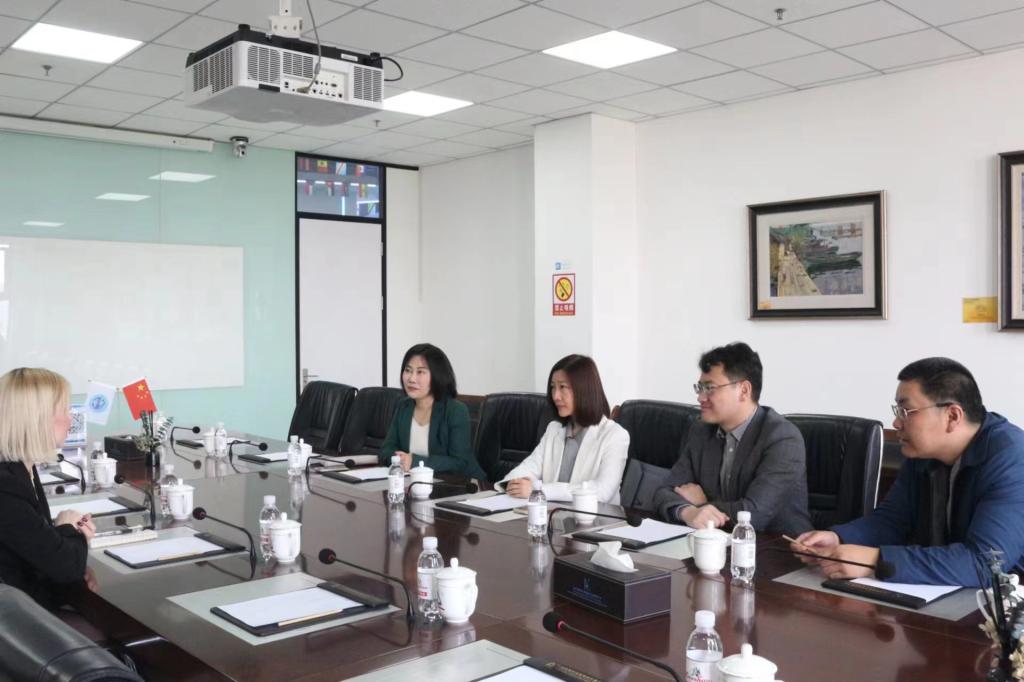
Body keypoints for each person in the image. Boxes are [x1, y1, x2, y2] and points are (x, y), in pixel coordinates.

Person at [794, 357, 1024, 587]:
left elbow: (985, 564)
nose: (896, 422)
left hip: (1005, 598)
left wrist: (875, 560)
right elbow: (892, 520)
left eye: (906, 411)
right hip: (950, 591)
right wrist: (839, 538)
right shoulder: (922, 453)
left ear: (952, 416)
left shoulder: (1012, 459)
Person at [653, 342, 812, 536]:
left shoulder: (782, 439)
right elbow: (663, 492)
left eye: (709, 388)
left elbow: (754, 515)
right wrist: (688, 511)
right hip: (716, 542)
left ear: (744, 390)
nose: (700, 398)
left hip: (776, 547)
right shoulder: (701, 431)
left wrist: (702, 505)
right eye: (700, 388)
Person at [0, 367, 95, 608]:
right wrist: (68, 529)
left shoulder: (21, 468)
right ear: (37, 420)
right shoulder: (6, 487)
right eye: (64, 410)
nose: (71, 419)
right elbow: (67, 567)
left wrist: (64, 536)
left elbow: (35, 547)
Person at [497, 354, 629, 504]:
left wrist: (539, 489)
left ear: (584, 390)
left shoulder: (615, 435)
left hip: (596, 517)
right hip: (553, 514)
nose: (555, 396)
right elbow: (529, 467)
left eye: (562, 387)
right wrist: (514, 482)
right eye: (553, 387)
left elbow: (603, 491)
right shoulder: (554, 429)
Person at [379, 344, 487, 481]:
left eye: (420, 372)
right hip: (418, 483)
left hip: (464, 485)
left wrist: (414, 461)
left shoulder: (455, 410)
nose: (411, 378)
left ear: (437, 376)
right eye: (408, 370)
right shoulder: (403, 406)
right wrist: (399, 460)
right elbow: (386, 450)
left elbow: (460, 463)